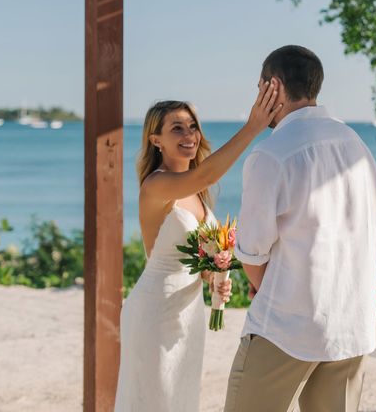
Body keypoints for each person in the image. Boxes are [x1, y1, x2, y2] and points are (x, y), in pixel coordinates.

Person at [224, 45, 376, 412]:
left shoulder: (271, 154)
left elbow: (251, 253)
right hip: (351, 325)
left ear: (272, 87)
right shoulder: (358, 147)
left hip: (287, 327)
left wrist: (270, 290)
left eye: (259, 86)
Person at [114, 85, 282, 412]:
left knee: (181, 399)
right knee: (154, 400)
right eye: (177, 128)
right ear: (155, 140)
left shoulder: (198, 193)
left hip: (190, 312)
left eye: (193, 127)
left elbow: (189, 258)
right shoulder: (156, 185)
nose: (189, 134)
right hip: (154, 312)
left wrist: (212, 274)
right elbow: (206, 174)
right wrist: (253, 127)